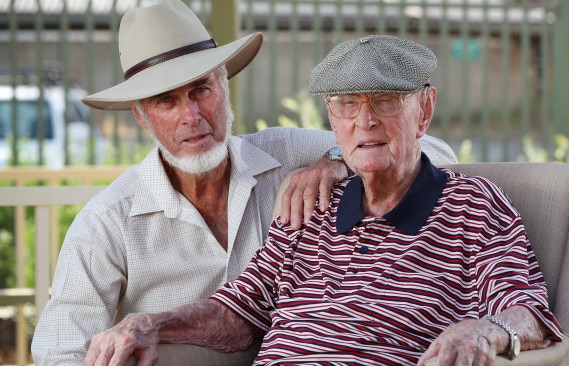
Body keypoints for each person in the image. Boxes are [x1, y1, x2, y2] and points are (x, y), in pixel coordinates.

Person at [84, 34, 562, 366]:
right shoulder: (310, 208)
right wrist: (149, 323)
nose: (365, 122)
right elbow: (234, 315)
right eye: (348, 107)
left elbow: (529, 316)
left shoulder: (473, 205)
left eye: (386, 101)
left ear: (426, 109)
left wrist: (482, 331)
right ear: (332, 122)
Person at [31, 2, 457, 365]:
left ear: (223, 85)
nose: (191, 116)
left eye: (201, 89)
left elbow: (434, 152)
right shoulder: (108, 222)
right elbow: (57, 350)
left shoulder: (284, 153)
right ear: (141, 115)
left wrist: (337, 163)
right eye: (166, 100)